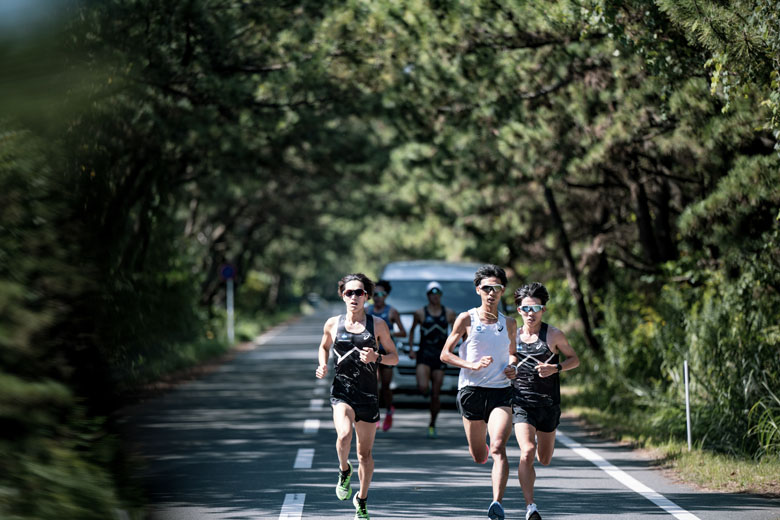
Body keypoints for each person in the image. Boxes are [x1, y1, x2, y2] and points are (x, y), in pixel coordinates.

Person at [316, 273, 399, 520]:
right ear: (342, 295)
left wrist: (378, 358)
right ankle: (344, 471)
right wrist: (322, 365)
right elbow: (324, 346)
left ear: (366, 296)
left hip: (368, 396)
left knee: (365, 454)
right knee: (344, 434)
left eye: (359, 292)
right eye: (349, 292)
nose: (354, 297)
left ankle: (361, 499)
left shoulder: (378, 325)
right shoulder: (333, 323)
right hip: (342, 392)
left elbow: (394, 356)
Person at [440, 265, 518, 520]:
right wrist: (470, 364)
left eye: (496, 288)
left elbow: (513, 353)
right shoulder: (466, 319)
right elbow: (445, 354)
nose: (491, 293)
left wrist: (513, 367)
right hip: (472, 391)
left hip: (500, 392)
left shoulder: (509, 323)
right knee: (478, 454)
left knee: (498, 448)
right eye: (486, 288)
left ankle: (497, 503)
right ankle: (481, 448)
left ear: (503, 291)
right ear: (478, 290)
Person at [511, 282, 579, 520]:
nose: (531, 314)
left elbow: (574, 360)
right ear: (518, 310)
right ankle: (531, 507)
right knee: (527, 451)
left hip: (548, 405)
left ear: (543, 310)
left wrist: (555, 367)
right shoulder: (512, 335)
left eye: (536, 308)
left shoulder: (554, 335)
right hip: (521, 403)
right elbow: (502, 364)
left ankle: (531, 500)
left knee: (544, 458)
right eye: (526, 309)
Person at [408, 280, 456, 438]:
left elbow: (458, 332)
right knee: (423, 387)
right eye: (432, 294)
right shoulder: (420, 313)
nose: (435, 297)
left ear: (441, 295)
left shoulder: (448, 313)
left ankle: (432, 423)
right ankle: (425, 390)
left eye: (437, 294)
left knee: (436, 393)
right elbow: (412, 330)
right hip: (424, 354)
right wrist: (411, 349)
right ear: (428, 296)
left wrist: (456, 348)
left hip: (440, 355)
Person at [366, 279, 407, 432]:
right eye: (375, 294)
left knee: (385, 385)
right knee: (373, 384)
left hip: (387, 352)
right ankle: (375, 414)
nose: (378, 297)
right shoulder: (367, 310)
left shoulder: (391, 311)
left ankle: (389, 411)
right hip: (371, 352)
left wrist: (387, 333)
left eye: (382, 294)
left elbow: (403, 332)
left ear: (386, 295)